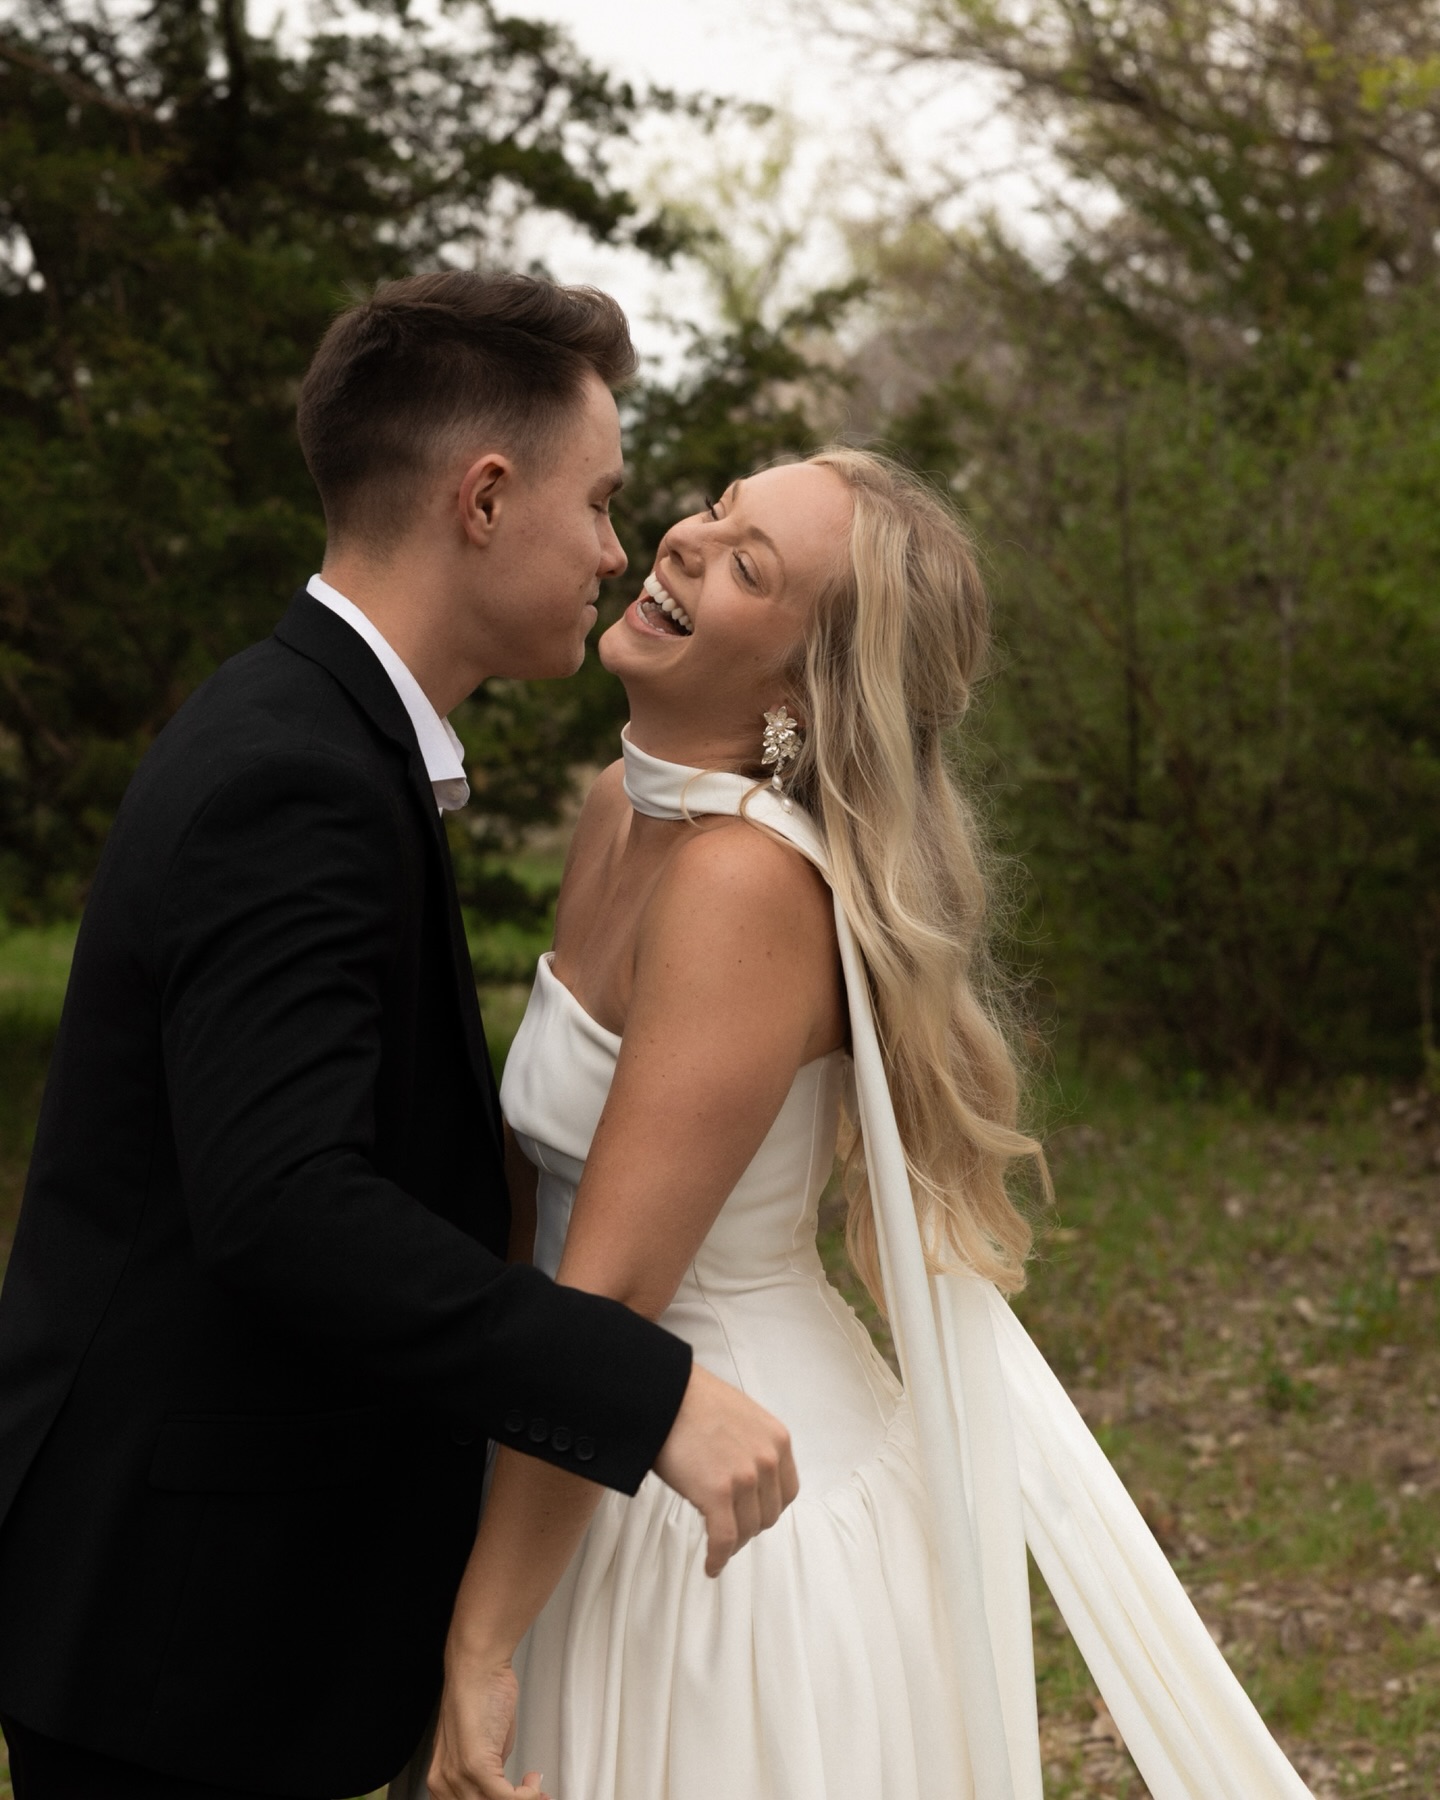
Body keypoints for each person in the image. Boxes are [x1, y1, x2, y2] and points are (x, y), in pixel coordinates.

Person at [0, 272, 798, 1800]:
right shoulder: (290, 773)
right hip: (175, 1627)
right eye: (603, 501)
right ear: (484, 498)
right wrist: (651, 1393)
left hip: (207, 1599)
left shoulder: (316, 730)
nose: (619, 553)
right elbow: (285, 1208)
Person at [420, 449, 1316, 1800]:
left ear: (795, 689)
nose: (683, 547)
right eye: (715, 513)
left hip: (720, 1527)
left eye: (747, 567)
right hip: (577, 1449)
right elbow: (532, 1215)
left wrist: (482, 1638)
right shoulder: (617, 814)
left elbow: (604, 1300)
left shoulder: (741, 885)